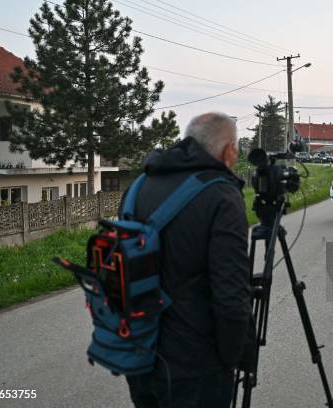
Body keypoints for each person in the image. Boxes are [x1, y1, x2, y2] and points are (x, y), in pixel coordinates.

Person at [125, 112, 253, 408]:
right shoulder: (221, 195)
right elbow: (231, 294)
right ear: (228, 149)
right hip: (194, 369)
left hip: (139, 354)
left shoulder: (141, 184)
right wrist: (233, 359)